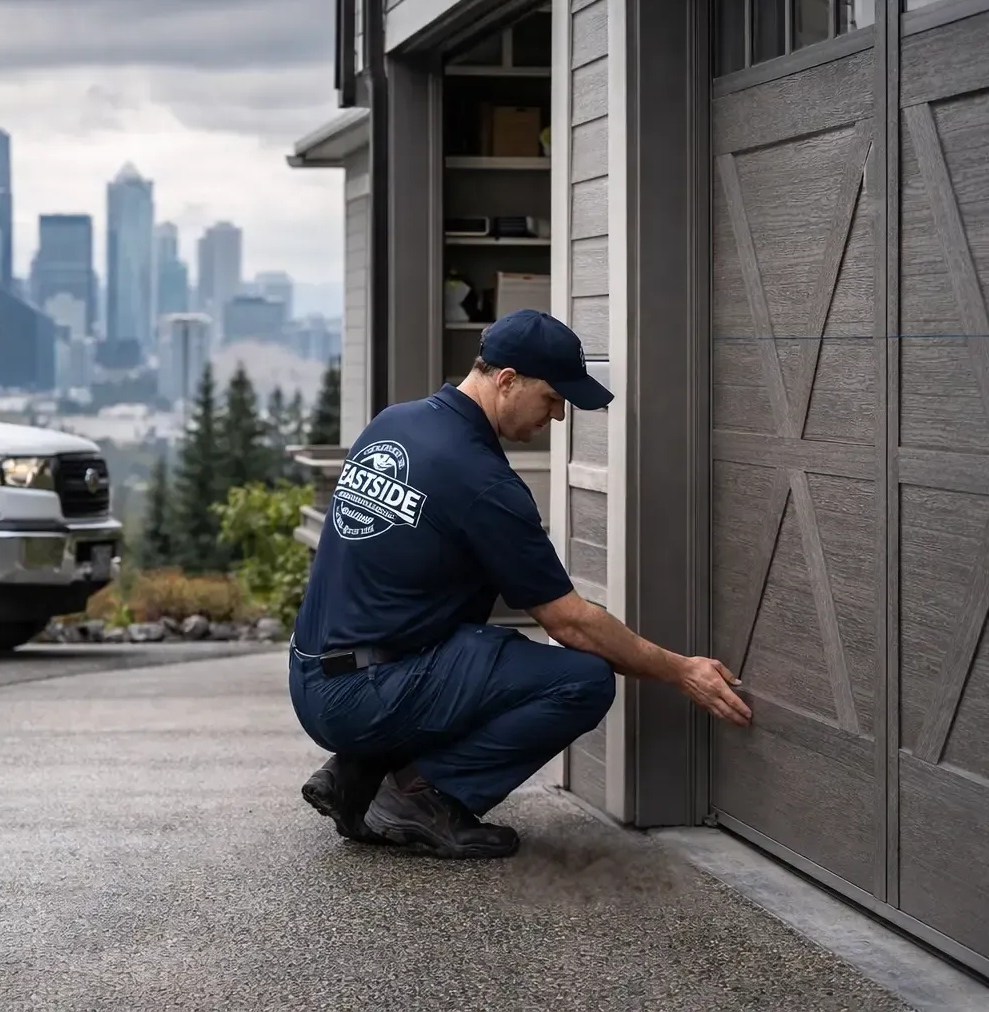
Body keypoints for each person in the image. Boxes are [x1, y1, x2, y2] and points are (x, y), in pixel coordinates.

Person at [287, 308, 752, 859]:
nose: (556, 418)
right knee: (579, 679)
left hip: (312, 674)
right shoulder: (482, 481)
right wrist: (682, 670)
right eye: (553, 400)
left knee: (478, 645)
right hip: (362, 695)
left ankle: (356, 773)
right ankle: (420, 797)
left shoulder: (394, 423)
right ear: (506, 380)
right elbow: (570, 622)